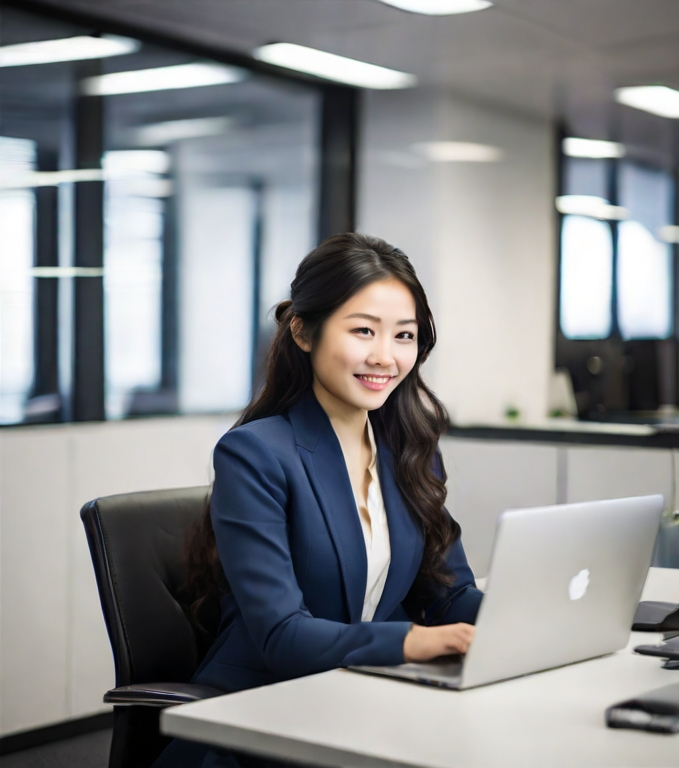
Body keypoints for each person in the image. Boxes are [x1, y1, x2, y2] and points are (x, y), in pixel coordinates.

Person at [155, 233, 482, 767]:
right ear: (304, 332)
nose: (386, 356)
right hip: (261, 715)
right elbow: (283, 636)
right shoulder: (255, 454)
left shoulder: (409, 451)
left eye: (404, 335)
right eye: (362, 331)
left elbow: (448, 595)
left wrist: (530, 622)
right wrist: (412, 643)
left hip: (364, 700)